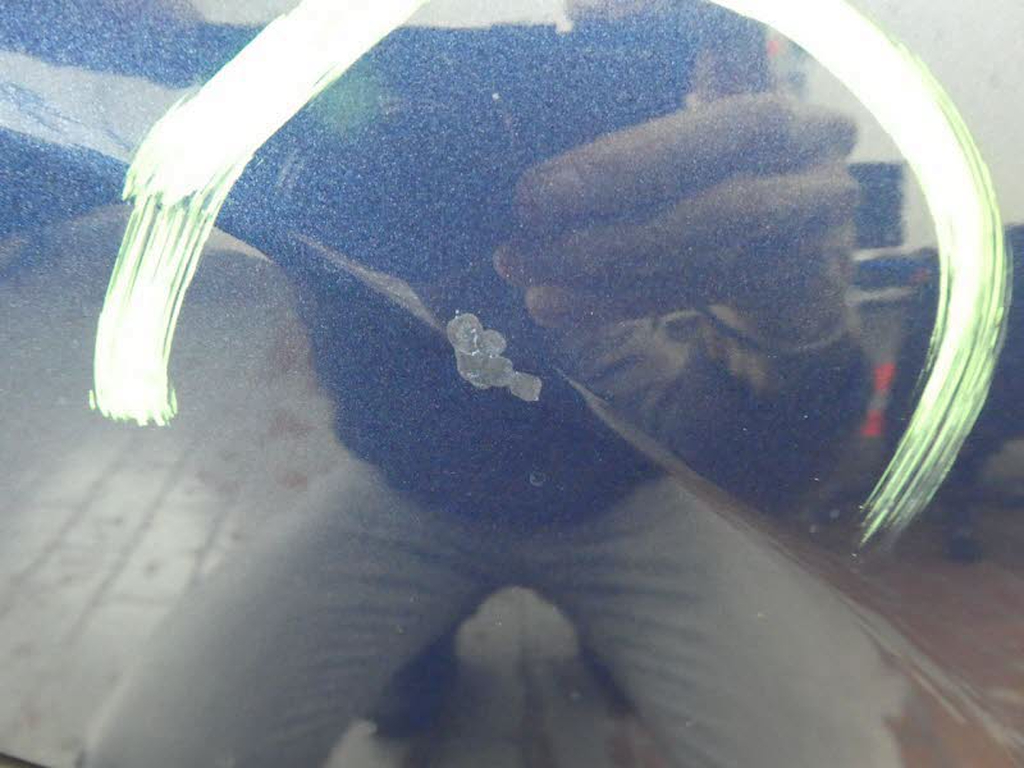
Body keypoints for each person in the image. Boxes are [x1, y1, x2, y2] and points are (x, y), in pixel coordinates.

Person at [65, 3, 915, 767]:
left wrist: (797, 326)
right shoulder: (312, 70)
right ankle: (425, 661)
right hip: (407, 495)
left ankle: (441, 662)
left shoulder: (663, 69)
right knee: (149, 750)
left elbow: (765, 462)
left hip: (629, 500)